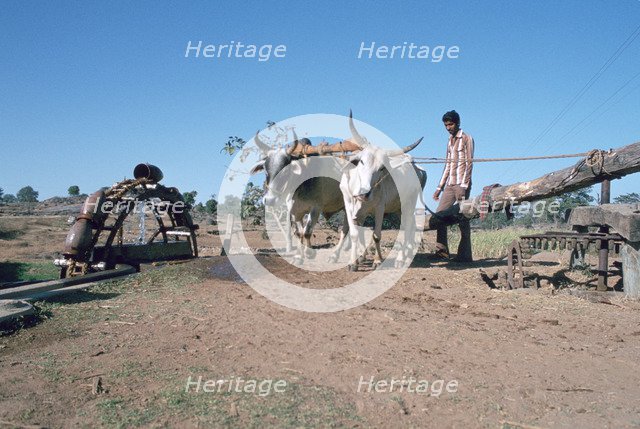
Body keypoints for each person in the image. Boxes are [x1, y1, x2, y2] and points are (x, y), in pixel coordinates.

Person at [432, 110, 474, 262]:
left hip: (462, 184)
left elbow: (469, 163)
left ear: (457, 123)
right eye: (446, 125)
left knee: (463, 217)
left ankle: (464, 255)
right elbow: (447, 165)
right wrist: (439, 187)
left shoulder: (467, 138)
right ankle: (441, 252)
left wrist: (464, 185)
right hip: (450, 184)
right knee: (439, 215)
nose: (448, 127)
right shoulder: (449, 141)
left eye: (450, 124)